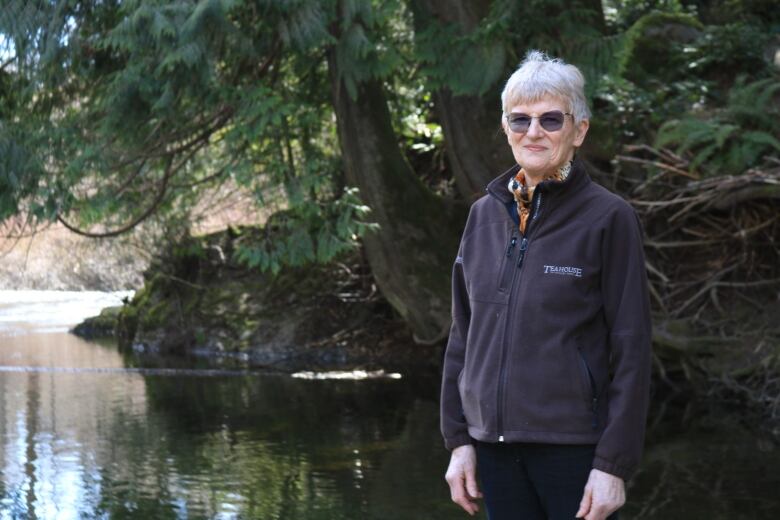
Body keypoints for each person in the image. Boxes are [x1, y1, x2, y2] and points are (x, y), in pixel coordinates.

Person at [440, 50, 652, 520]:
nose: (533, 132)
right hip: (491, 450)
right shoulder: (482, 215)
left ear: (578, 130)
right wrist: (458, 441)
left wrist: (612, 465)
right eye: (520, 120)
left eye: (550, 120)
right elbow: (462, 337)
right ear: (505, 128)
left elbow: (631, 348)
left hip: (574, 451)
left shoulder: (609, 218)